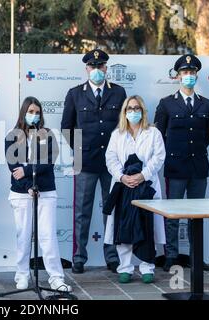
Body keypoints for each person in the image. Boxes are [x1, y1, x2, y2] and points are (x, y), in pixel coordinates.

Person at [61, 49, 126, 274]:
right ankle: (79, 257)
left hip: (112, 162)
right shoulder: (75, 94)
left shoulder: (118, 93)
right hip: (85, 161)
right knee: (82, 211)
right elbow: (66, 127)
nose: (97, 70)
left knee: (112, 209)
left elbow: (123, 126)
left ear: (106, 68)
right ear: (86, 69)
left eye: (101, 66)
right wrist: (79, 150)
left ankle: (112, 256)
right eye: (92, 66)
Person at [154, 54, 209, 272]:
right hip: (175, 168)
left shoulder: (205, 105)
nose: (188, 76)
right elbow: (159, 136)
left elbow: (208, 136)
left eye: (192, 72)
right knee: (173, 215)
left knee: (196, 216)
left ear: (196, 75)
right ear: (178, 76)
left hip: (198, 168)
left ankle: (196, 256)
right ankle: (171, 255)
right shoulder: (167, 104)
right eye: (185, 72)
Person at [5, 96, 72, 292]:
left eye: (37, 112)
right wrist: (27, 185)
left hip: (46, 191)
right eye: (30, 112)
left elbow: (48, 162)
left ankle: (56, 277)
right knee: (23, 235)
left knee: (47, 235)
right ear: (23, 113)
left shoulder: (48, 135)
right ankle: (22, 274)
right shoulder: (12, 135)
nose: (34, 115)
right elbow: (13, 167)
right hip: (21, 193)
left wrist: (27, 170)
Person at [104, 95, 166, 284]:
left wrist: (142, 175)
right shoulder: (117, 134)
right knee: (125, 226)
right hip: (124, 187)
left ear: (143, 111)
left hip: (146, 187)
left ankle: (148, 267)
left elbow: (159, 157)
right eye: (129, 109)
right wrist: (122, 177)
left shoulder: (153, 133)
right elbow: (111, 158)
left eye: (136, 108)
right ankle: (125, 268)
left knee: (147, 226)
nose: (133, 112)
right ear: (124, 112)